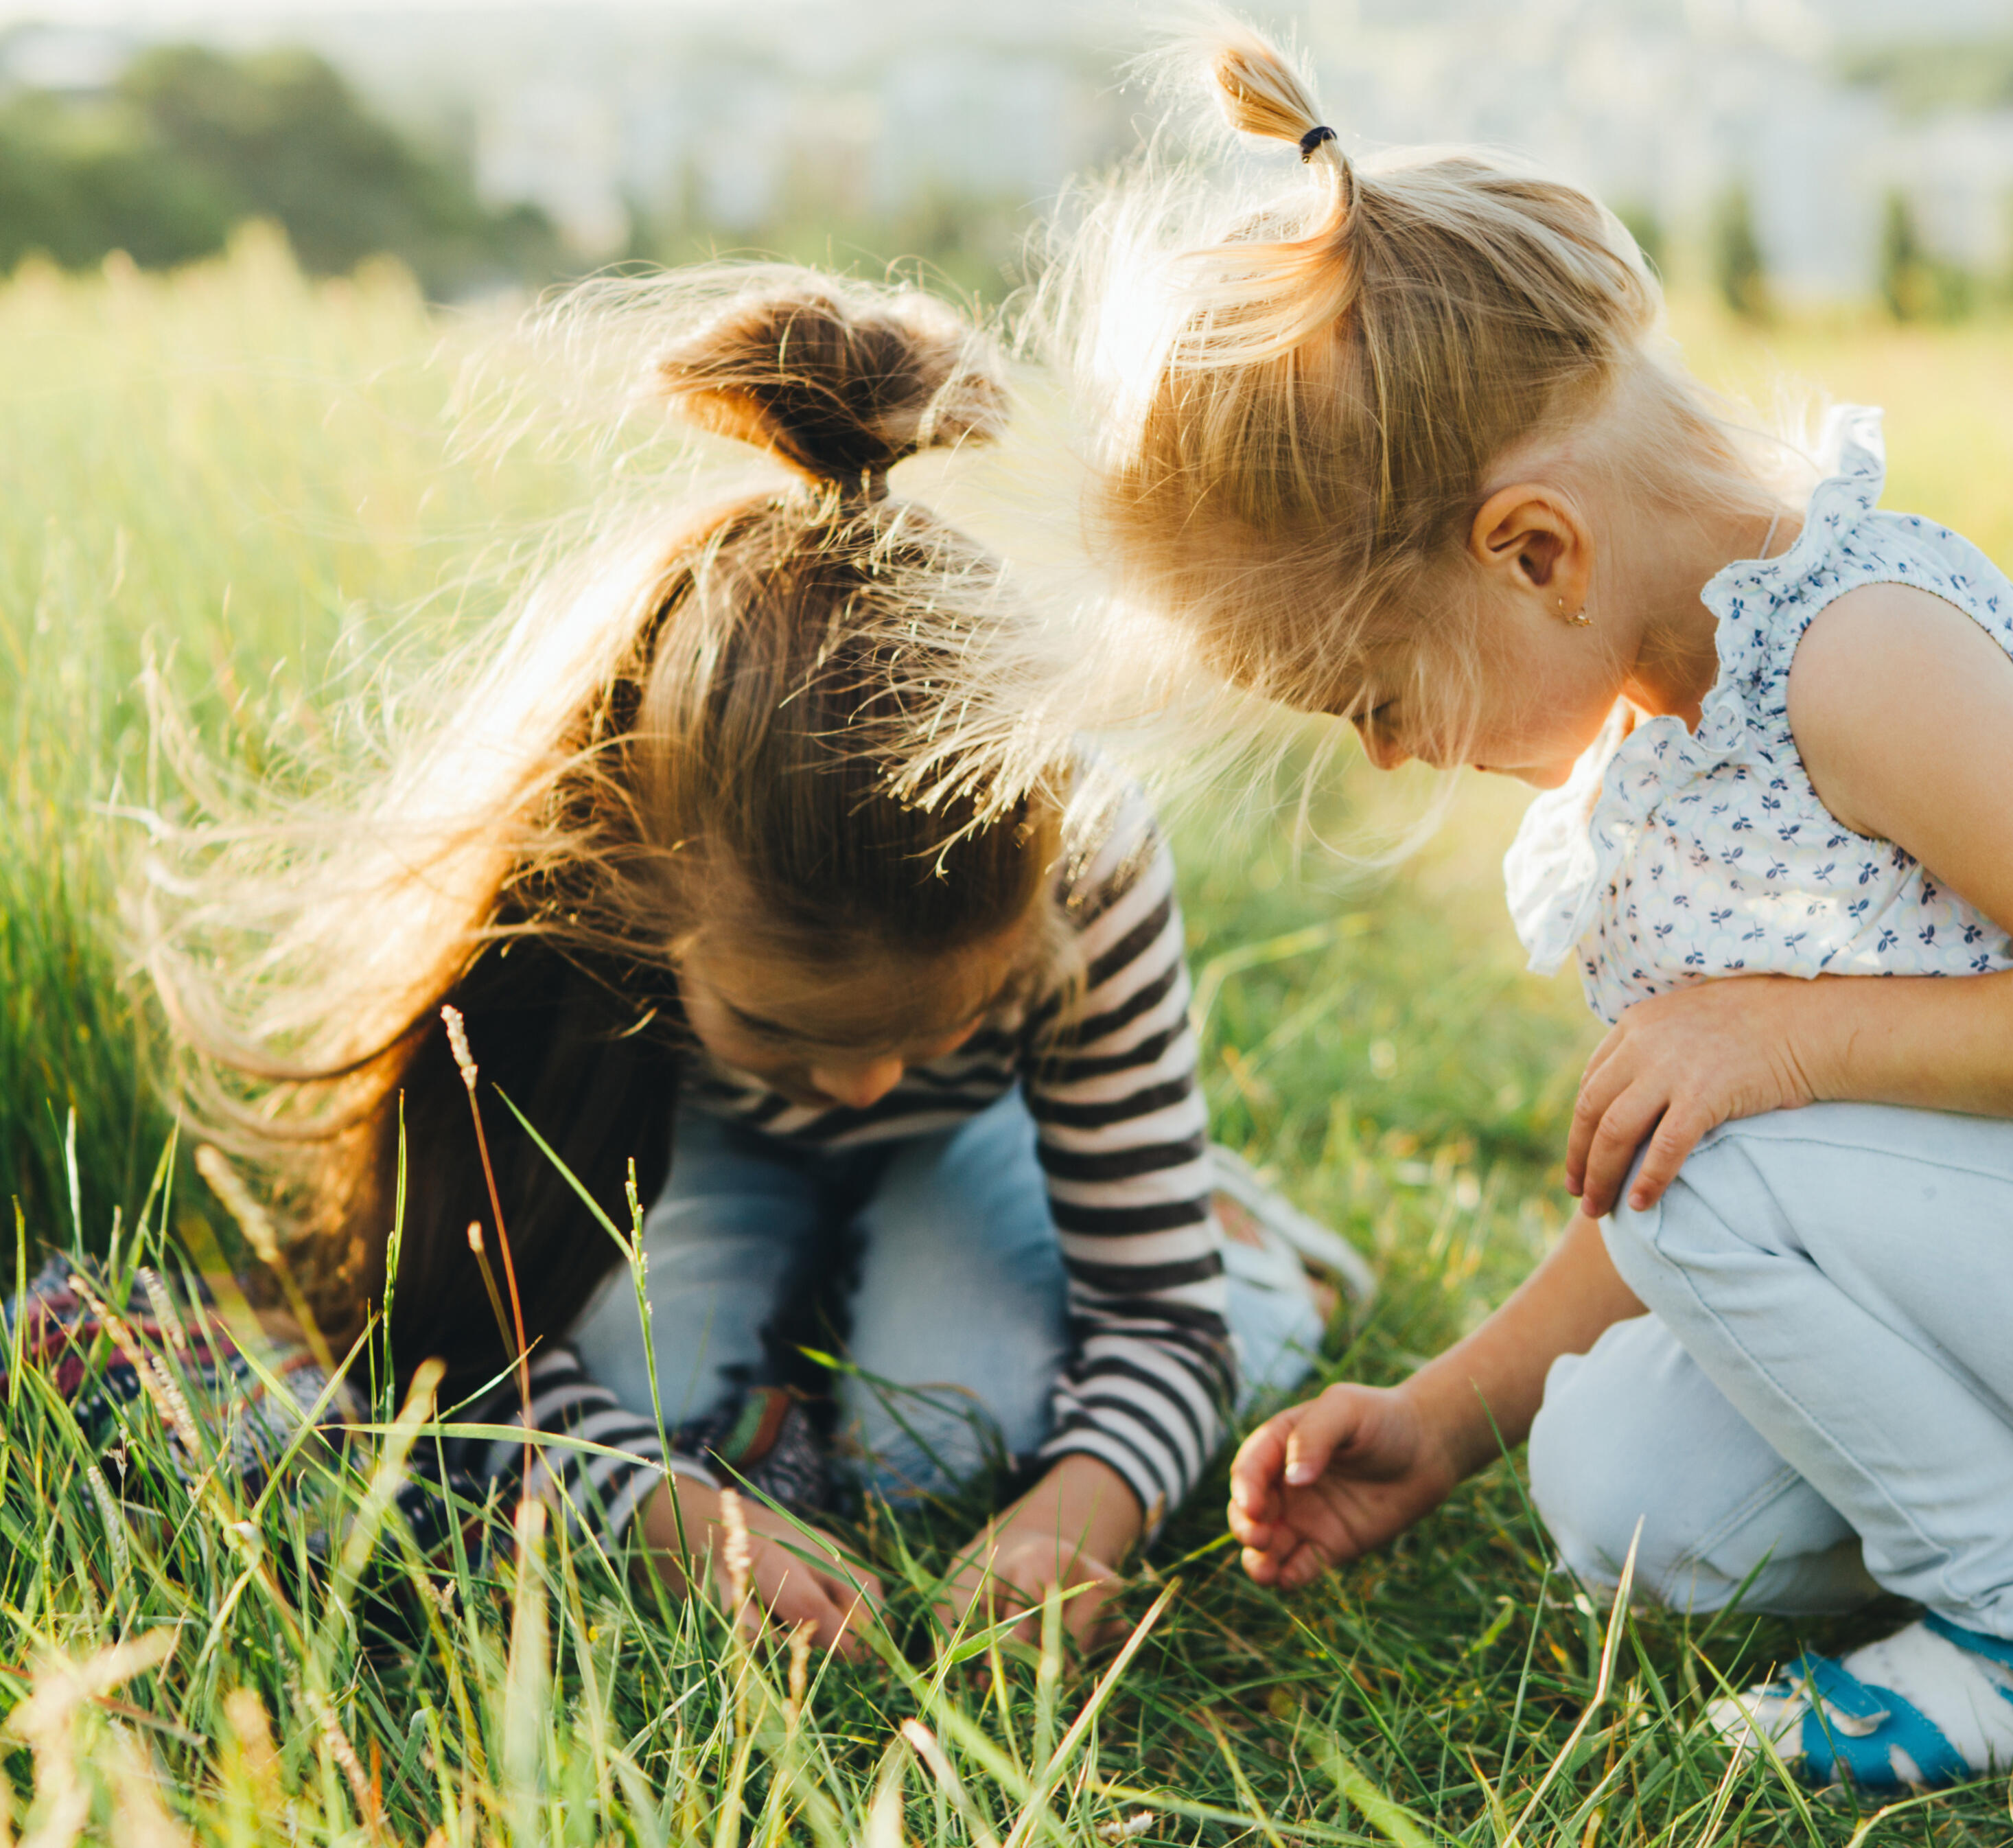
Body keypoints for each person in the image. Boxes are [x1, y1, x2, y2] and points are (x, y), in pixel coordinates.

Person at [1037, 19, 2013, 1790]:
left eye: (1372, 699)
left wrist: (1771, 1039)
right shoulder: (1653, 763)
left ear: (1534, 552)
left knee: (1717, 1124)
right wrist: (1439, 1418)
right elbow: (1681, 1168)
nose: (1391, 758)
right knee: (1626, 1493)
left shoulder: (1860, 658)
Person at [141, 273, 1337, 1652]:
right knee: (644, 1398)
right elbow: (462, 1338)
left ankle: (1255, 1254)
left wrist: (1078, 1512)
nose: (862, 1078)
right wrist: (660, 1509)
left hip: (983, 1144)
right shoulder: (574, 869)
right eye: (781, 1025)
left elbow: (1154, 1323)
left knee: (940, 1436)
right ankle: (818, 1292)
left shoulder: (1093, 863)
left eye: (938, 1019)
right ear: (642, 898)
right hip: (690, 1150)